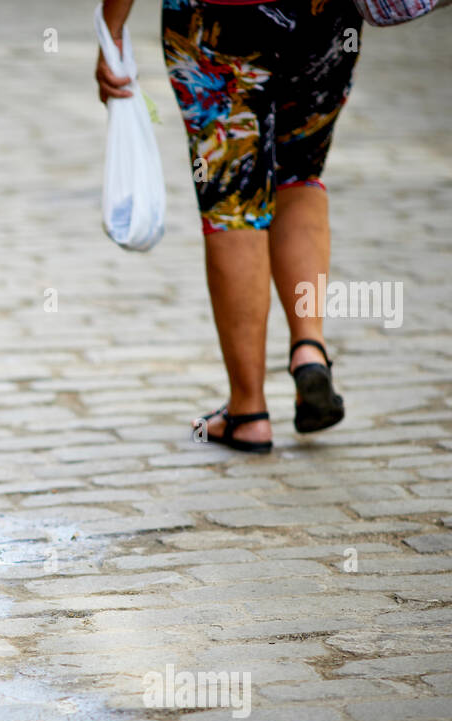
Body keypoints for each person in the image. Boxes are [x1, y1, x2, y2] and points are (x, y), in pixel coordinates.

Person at [96, 0, 362, 453]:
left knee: (231, 200)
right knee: (299, 174)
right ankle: (309, 348)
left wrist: (111, 28)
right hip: (326, 17)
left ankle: (248, 411)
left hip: (218, 16)